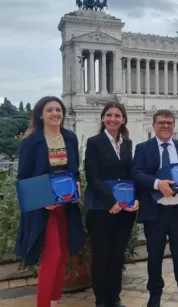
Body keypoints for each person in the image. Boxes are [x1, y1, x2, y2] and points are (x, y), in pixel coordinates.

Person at [14, 96, 84, 307]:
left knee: (64, 253)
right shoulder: (31, 142)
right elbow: (23, 178)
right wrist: (42, 200)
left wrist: (77, 185)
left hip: (66, 205)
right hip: (44, 208)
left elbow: (75, 170)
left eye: (58, 109)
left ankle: (54, 300)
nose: (55, 113)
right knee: (52, 255)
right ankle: (43, 304)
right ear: (41, 115)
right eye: (49, 110)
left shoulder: (70, 138)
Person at [131, 110, 178, 307]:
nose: (166, 126)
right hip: (156, 211)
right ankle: (155, 295)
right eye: (161, 122)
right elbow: (136, 173)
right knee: (155, 256)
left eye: (169, 122)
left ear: (174, 126)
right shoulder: (143, 148)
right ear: (154, 126)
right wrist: (157, 183)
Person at [84, 101, 139, 307]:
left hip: (123, 209)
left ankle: (114, 297)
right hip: (101, 208)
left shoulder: (127, 143)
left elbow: (128, 175)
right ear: (103, 118)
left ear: (123, 119)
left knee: (117, 254)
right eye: (109, 115)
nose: (113, 119)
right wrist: (110, 201)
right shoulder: (94, 142)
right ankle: (101, 298)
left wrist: (132, 200)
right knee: (101, 255)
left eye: (117, 115)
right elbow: (92, 176)